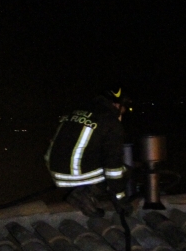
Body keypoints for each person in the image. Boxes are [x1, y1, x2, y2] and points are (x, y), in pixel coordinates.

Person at [45, 88, 131, 217]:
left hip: (54, 169)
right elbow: (113, 165)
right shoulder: (110, 121)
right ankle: (85, 195)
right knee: (123, 170)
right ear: (118, 105)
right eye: (124, 108)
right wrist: (120, 198)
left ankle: (85, 191)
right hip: (73, 174)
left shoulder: (78, 111)